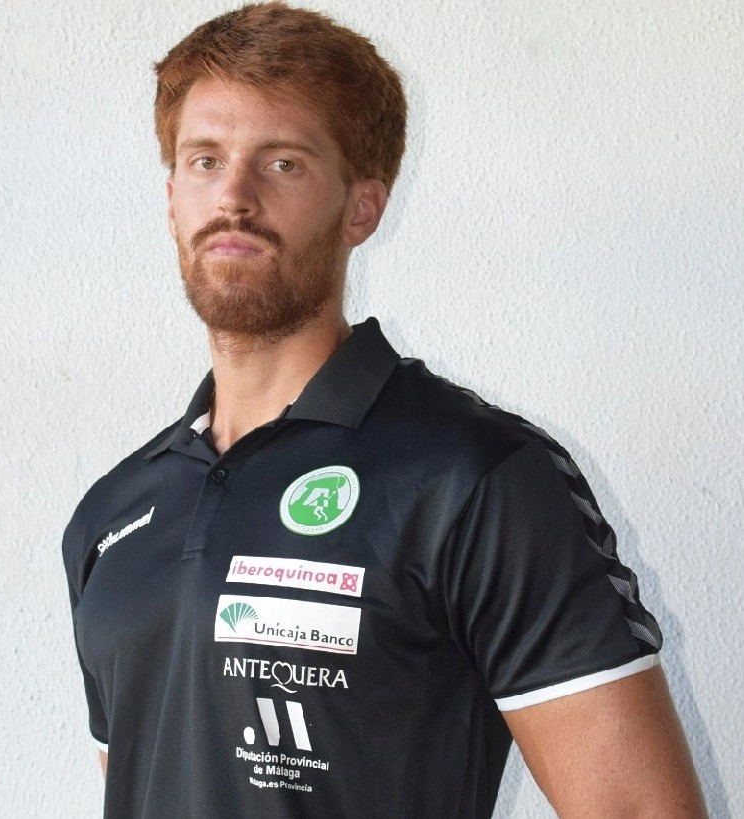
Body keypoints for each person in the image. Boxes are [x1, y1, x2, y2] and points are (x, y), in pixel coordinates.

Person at [62, 3, 708, 817]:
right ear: (170, 200)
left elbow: (639, 808)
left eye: (282, 162)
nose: (232, 195)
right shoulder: (113, 514)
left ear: (361, 208)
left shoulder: (474, 477)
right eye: (204, 160)